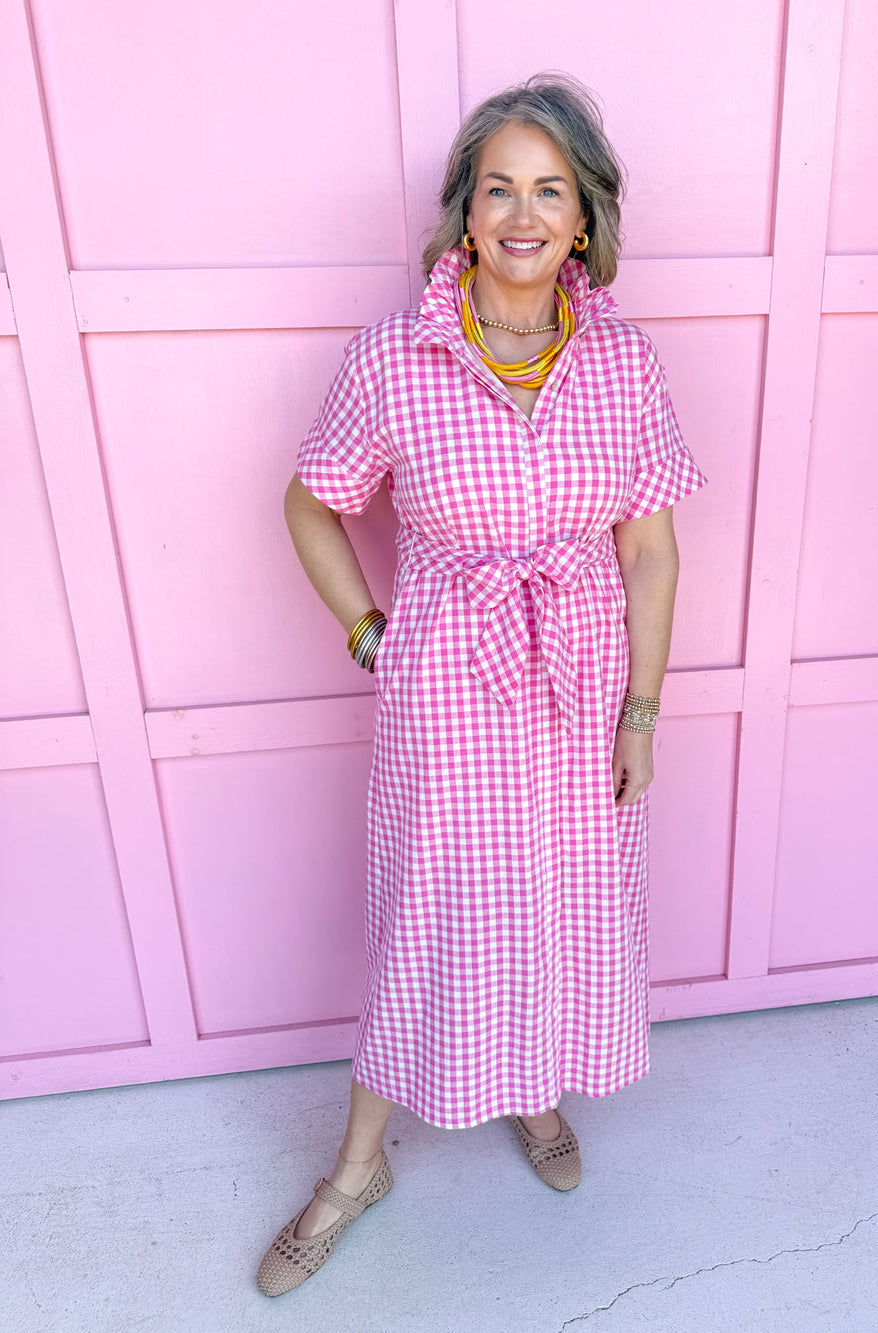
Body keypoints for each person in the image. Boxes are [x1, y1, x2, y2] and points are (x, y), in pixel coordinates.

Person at [256, 72, 707, 1297]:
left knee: (563, 898)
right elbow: (311, 500)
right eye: (498, 187)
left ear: (581, 219)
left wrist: (644, 711)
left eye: (548, 189)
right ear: (466, 213)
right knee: (432, 918)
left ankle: (537, 1095)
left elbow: (651, 547)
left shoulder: (620, 361)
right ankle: (358, 1169)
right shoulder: (395, 357)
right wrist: (369, 632)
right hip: (449, 691)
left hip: (580, 685)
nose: (522, 212)